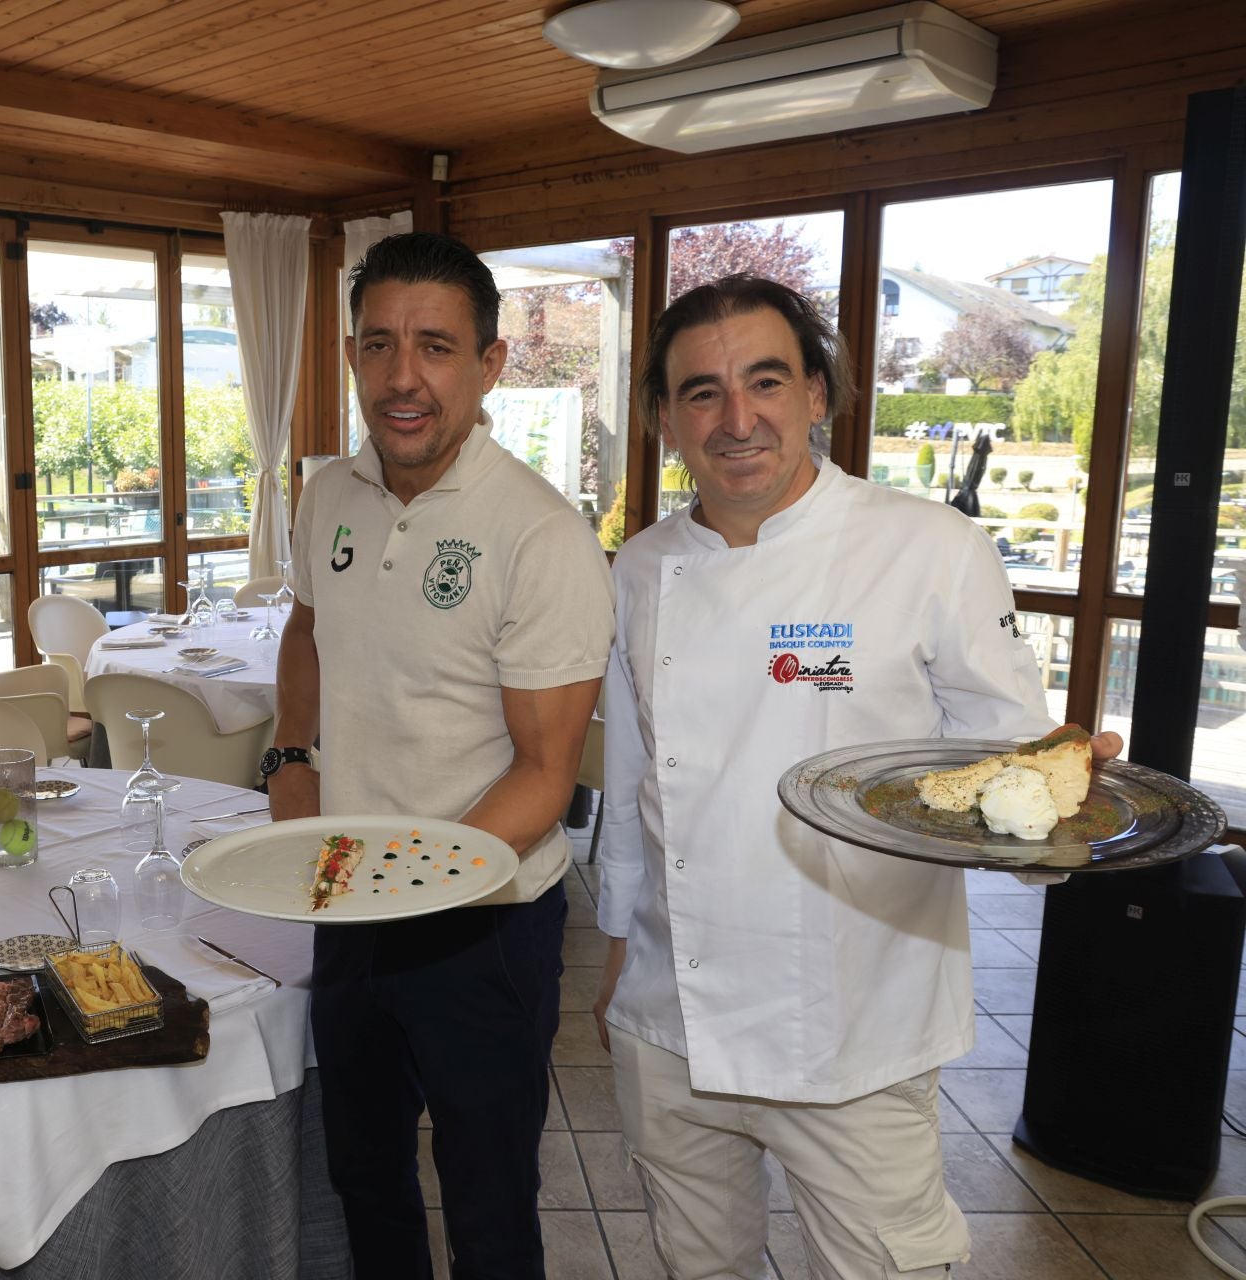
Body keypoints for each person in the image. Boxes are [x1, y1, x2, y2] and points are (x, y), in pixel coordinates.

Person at [590, 274, 1120, 1279]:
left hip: (852, 1018)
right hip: (673, 1010)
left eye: (766, 381)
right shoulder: (640, 565)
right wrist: (619, 942)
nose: (736, 417)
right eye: (701, 391)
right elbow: (635, 774)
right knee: (694, 1261)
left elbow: (1018, 771)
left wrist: (1065, 785)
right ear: (664, 417)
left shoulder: (928, 548)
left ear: (819, 395)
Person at [269, 231, 613, 1278]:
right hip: (350, 900)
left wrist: (402, 883)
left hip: (484, 927)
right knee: (364, 1176)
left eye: (434, 346)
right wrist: (291, 757)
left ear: (490, 364)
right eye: (378, 345)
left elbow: (546, 774)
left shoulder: (540, 535)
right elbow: (304, 626)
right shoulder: (328, 489)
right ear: (352, 355)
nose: (402, 376)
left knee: (488, 1200)